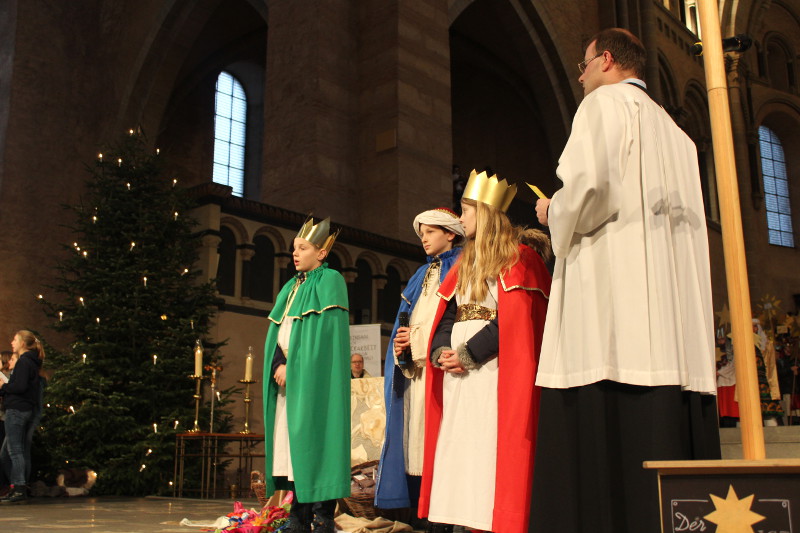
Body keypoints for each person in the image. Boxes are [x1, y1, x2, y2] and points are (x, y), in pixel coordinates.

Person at [530, 28, 720, 533]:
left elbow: (591, 187)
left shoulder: (602, 106)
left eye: (584, 64)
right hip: (673, 332)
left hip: (613, 319)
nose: (580, 75)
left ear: (607, 61)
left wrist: (553, 211)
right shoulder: (677, 136)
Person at [418, 171, 551, 533]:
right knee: (460, 451)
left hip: (493, 372)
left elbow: (515, 320)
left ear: (487, 214)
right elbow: (446, 312)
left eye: (466, 210)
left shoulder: (519, 257)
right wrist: (443, 350)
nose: (460, 220)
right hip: (458, 375)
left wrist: (468, 354)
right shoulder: (463, 262)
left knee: (486, 448)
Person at [374, 208, 465, 515]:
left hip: (445, 369)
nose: (423, 239)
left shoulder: (464, 266)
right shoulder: (420, 274)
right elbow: (410, 319)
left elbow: (450, 320)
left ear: (450, 233)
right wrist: (402, 346)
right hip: (417, 372)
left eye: (430, 232)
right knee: (414, 439)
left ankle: (443, 510)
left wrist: (419, 343)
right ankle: (419, 509)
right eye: (421, 234)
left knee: (440, 441)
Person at [262, 217, 350, 533]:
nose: (295, 254)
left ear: (321, 253)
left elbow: (323, 343)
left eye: (303, 248)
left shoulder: (331, 281)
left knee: (316, 439)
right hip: (287, 381)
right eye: (294, 248)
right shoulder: (290, 287)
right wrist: (277, 366)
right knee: (291, 446)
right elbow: (277, 335)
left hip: (314, 382)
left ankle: (322, 514)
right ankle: (297, 514)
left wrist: (295, 369)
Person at [0, 331, 45, 504]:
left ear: (23, 344)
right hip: (19, 408)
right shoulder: (30, 362)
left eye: (15, 339)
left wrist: (5, 385)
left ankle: (19, 487)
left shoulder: (25, 362)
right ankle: (16, 486)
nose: (12, 342)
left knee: (15, 451)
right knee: (6, 453)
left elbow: (19, 386)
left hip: (17, 409)